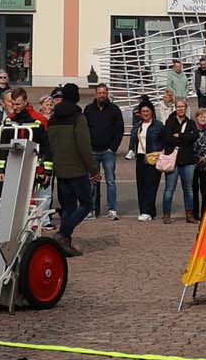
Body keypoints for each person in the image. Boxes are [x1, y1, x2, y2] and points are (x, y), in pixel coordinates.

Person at [42, 84, 97, 250]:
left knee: (68, 206)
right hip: (77, 168)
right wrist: (93, 169)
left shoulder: (53, 119)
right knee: (86, 204)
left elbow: (50, 143)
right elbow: (84, 146)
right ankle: (64, 233)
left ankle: (65, 243)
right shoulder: (78, 118)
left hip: (60, 168)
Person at [84, 78, 125, 221]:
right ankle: (91, 210)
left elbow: (119, 130)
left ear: (107, 94)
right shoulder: (88, 109)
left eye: (104, 93)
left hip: (108, 151)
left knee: (110, 181)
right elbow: (84, 129)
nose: (101, 95)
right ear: (95, 94)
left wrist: (112, 148)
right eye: (99, 93)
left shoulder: (114, 109)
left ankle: (112, 209)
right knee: (92, 182)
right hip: (92, 150)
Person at [160, 102, 200, 221]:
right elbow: (168, 138)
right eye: (178, 107)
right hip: (173, 160)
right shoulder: (170, 122)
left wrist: (180, 135)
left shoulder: (191, 123)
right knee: (169, 189)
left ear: (186, 108)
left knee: (188, 189)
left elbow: (194, 137)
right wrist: (185, 138)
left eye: (182, 107)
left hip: (188, 160)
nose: (181, 109)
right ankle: (166, 214)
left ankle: (189, 214)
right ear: (175, 108)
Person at [128, 97, 165, 220]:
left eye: (147, 111)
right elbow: (133, 140)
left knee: (151, 184)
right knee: (141, 184)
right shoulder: (137, 125)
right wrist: (131, 150)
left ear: (152, 112)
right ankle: (146, 211)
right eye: (143, 111)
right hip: (140, 157)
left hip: (153, 158)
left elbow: (164, 140)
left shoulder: (158, 125)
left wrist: (162, 153)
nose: (145, 113)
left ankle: (147, 211)